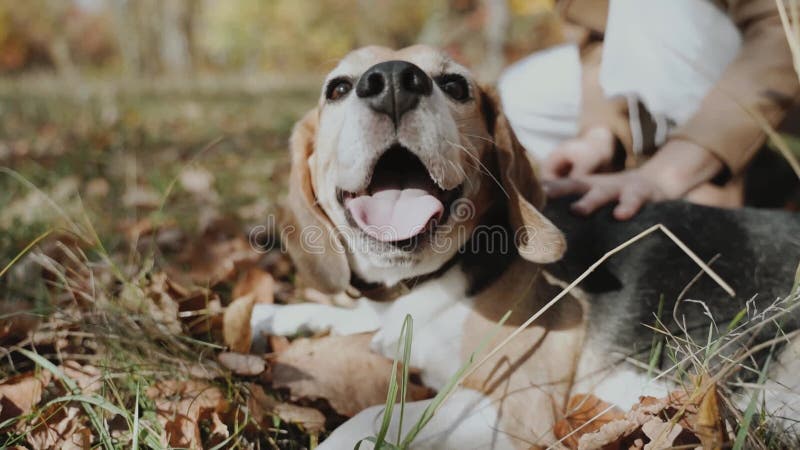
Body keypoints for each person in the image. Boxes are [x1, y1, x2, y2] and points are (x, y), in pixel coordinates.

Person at [498, 0, 799, 220]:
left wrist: (665, 174)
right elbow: (601, 35)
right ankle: (623, 206)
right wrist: (600, 132)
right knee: (527, 93)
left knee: (661, 9)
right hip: (736, 60)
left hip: (780, 63)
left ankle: (708, 199)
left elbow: (783, 32)